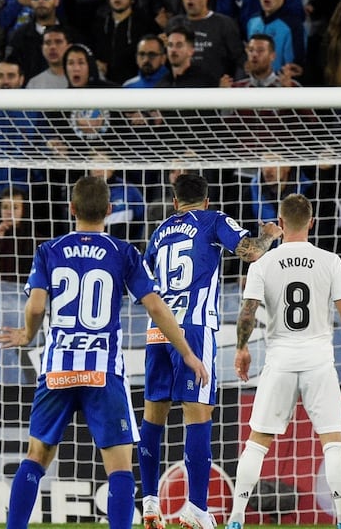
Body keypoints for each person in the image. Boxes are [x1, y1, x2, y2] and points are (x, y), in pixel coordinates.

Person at [0, 176, 209, 529]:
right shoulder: (123, 251)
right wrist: (186, 352)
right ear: (109, 211)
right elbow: (156, 307)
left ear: (72, 209)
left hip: (58, 368)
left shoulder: (49, 249)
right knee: (120, 467)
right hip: (103, 371)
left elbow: (35, 306)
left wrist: (27, 334)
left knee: (36, 456)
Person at [139, 173, 283, 529]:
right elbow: (251, 252)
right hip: (194, 328)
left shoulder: (159, 233)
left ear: (174, 202)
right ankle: (196, 508)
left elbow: (142, 282)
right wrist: (270, 234)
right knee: (198, 414)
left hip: (158, 329)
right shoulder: (213, 219)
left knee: (153, 417)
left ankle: (150, 502)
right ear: (205, 200)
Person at [227, 193, 341, 529]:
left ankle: (236, 517)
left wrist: (241, 348)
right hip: (319, 362)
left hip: (279, 360)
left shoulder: (262, 263)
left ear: (280, 224)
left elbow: (247, 313)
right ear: (311, 222)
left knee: (257, 441)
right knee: (333, 442)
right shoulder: (330, 261)